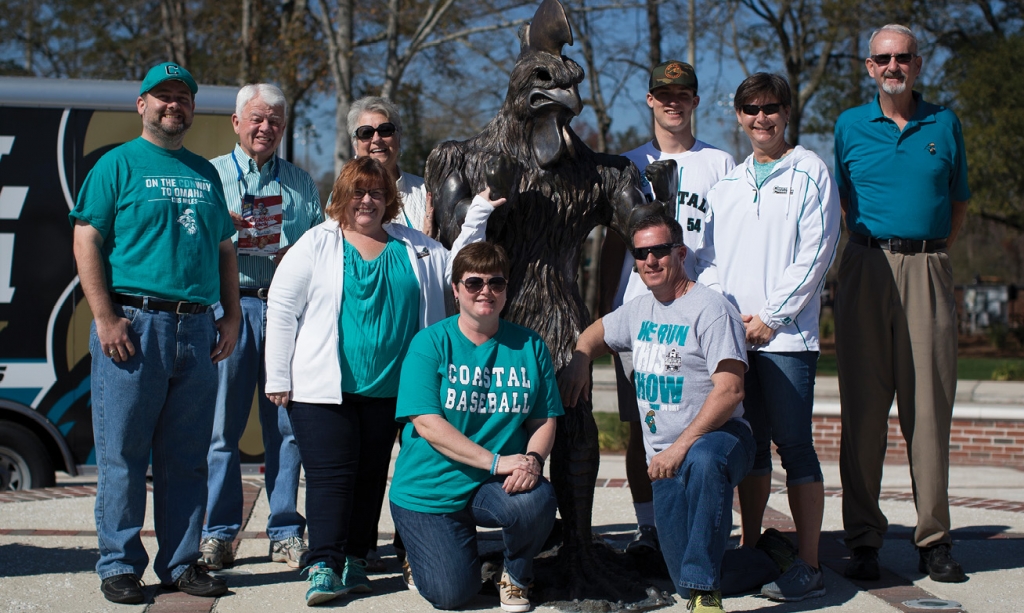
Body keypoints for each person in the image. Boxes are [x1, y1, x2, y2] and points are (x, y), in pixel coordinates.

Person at [264, 157, 499, 606]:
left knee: (372, 477)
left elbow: (460, 266)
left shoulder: (415, 247)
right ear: (342, 198)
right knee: (331, 479)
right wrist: (278, 375)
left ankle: (355, 559)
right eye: (358, 192)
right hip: (322, 391)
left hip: (391, 393)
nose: (367, 200)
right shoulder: (316, 244)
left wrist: (479, 215)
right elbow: (281, 308)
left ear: (389, 199)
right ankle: (324, 565)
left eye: (376, 192)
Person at [70, 62, 238, 604]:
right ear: (141, 105)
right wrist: (105, 316)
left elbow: (224, 249)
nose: (174, 105)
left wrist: (230, 315)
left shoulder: (204, 174)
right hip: (134, 326)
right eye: (162, 96)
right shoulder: (117, 165)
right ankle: (118, 563)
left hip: (195, 327)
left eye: (183, 98)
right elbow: (86, 240)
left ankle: (180, 563)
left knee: (186, 456)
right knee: (123, 451)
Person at [562, 212, 754, 613]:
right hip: (664, 460)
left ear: (681, 253)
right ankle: (770, 557)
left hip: (721, 441)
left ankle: (705, 594)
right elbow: (598, 331)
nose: (650, 260)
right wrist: (581, 354)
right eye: (641, 253)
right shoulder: (637, 311)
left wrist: (679, 448)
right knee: (681, 576)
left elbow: (731, 390)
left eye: (660, 251)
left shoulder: (711, 309)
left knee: (702, 461)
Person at [834, 24, 970, 583]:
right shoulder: (847, 126)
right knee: (863, 413)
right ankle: (863, 539)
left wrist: (925, 254)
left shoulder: (945, 123)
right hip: (865, 266)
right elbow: (845, 203)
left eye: (903, 58)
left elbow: (958, 203)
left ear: (918, 64)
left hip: (928, 267)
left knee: (929, 412)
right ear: (869, 67)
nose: (893, 66)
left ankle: (933, 538)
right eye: (882, 58)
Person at [697, 73, 840, 601]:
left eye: (771, 107)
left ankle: (809, 563)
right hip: (737, 338)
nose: (762, 117)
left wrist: (772, 317)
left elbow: (816, 254)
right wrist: (731, 321)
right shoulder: (727, 185)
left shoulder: (810, 172)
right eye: (751, 109)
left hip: (787, 340)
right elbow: (707, 261)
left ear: (786, 111)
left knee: (795, 447)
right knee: (750, 449)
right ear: (738, 116)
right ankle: (754, 545)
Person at [599, 60, 736, 555]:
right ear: (651, 100)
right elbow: (614, 247)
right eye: (664, 94)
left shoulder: (720, 164)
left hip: (699, 313)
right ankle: (649, 529)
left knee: (702, 428)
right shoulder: (625, 166)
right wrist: (607, 306)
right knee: (644, 426)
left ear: (695, 100)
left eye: (683, 94)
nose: (673, 101)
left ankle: (695, 529)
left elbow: (725, 244)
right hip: (640, 314)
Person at [388, 242, 563, 612]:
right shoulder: (430, 343)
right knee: (453, 595)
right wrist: (498, 462)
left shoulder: (530, 345)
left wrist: (533, 459)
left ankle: (516, 576)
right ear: (455, 290)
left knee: (536, 500)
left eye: (496, 282)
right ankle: (416, 553)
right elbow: (428, 424)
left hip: (491, 486)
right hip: (430, 490)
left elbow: (544, 417)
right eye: (474, 283)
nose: (486, 290)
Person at [199, 83, 323, 571]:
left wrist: (296, 253)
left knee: (286, 428)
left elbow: (320, 251)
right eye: (256, 118)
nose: (264, 128)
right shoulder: (207, 175)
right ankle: (218, 534)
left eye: (274, 120)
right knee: (220, 429)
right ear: (236, 122)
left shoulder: (300, 183)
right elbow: (191, 246)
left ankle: (286, 530)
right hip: (228, 309)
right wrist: (219, 228)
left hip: (285, 312)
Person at [349, 96, 430, 233]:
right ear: (355, 144)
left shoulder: (425, 190)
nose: (376, 139)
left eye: (385, 130)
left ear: (399, 137)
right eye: (366, 132)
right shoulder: (344, 196)